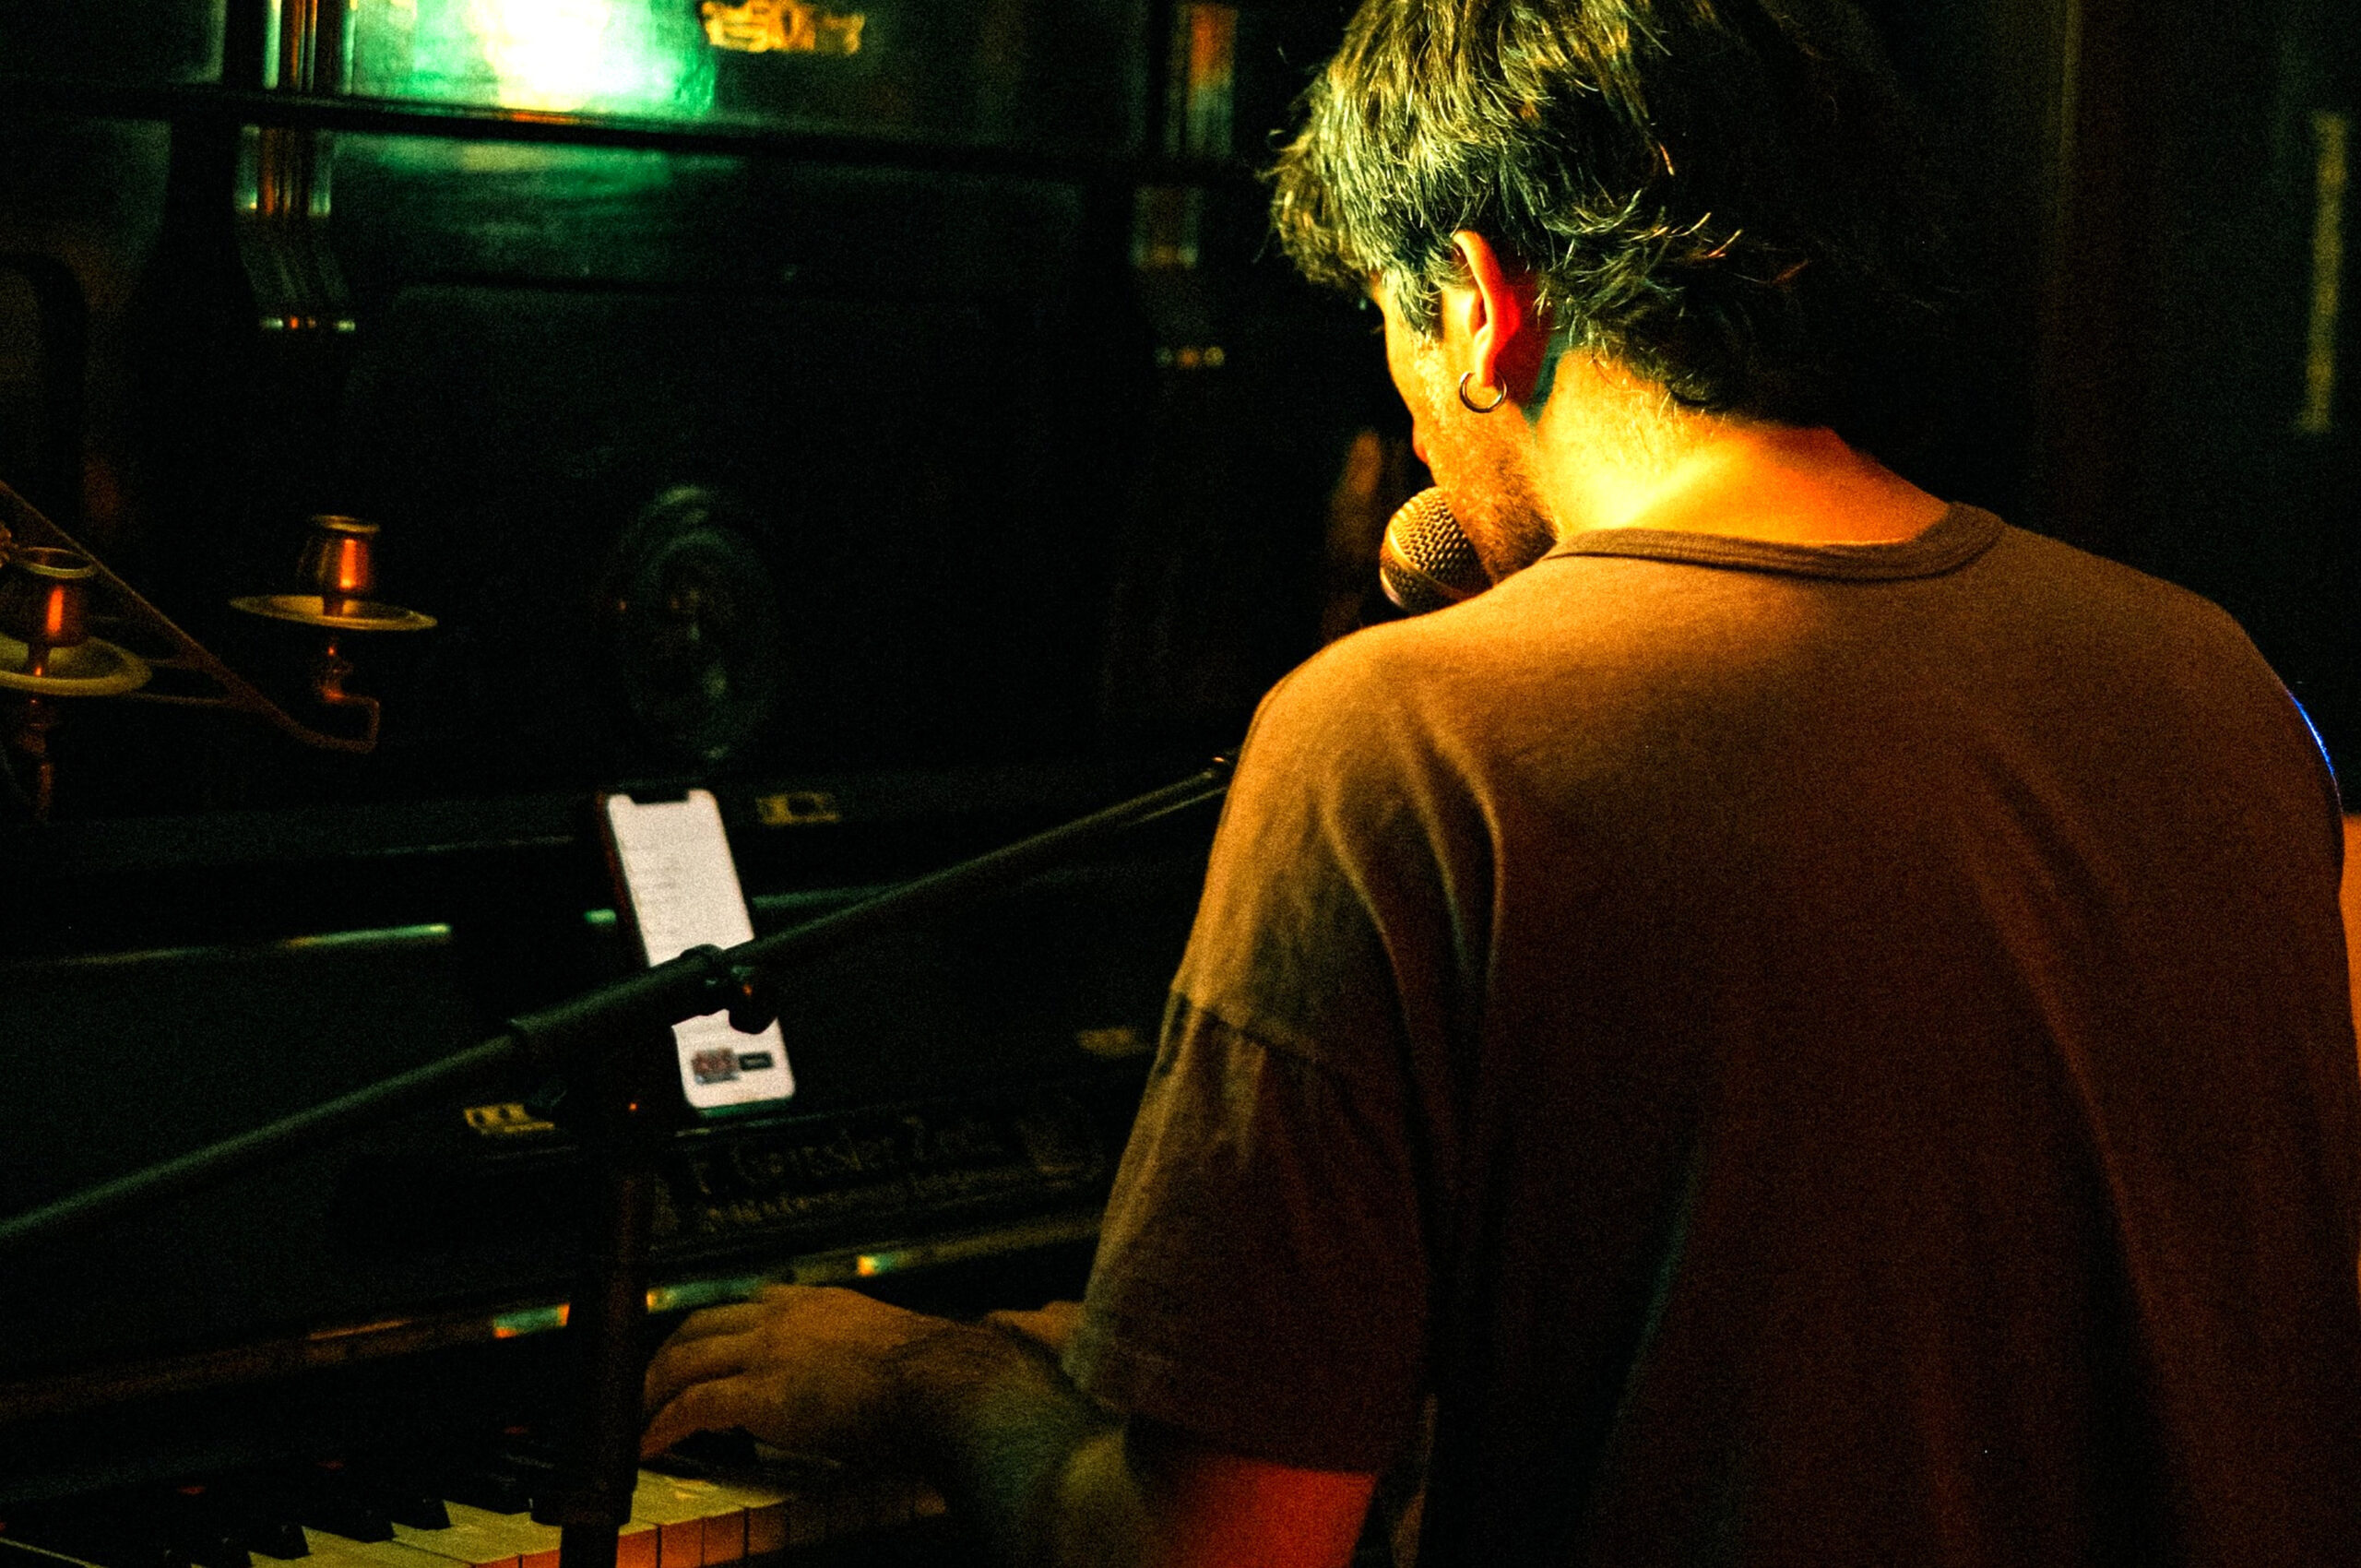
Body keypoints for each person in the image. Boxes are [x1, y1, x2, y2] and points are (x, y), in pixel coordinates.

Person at [638, 2, 2361, 1562]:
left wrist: (932, 1385)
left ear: (1478, 302)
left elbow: (1212, 1557)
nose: (1397, 408)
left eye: (1388, 324)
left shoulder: (1404, 739)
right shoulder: (2218, 681)